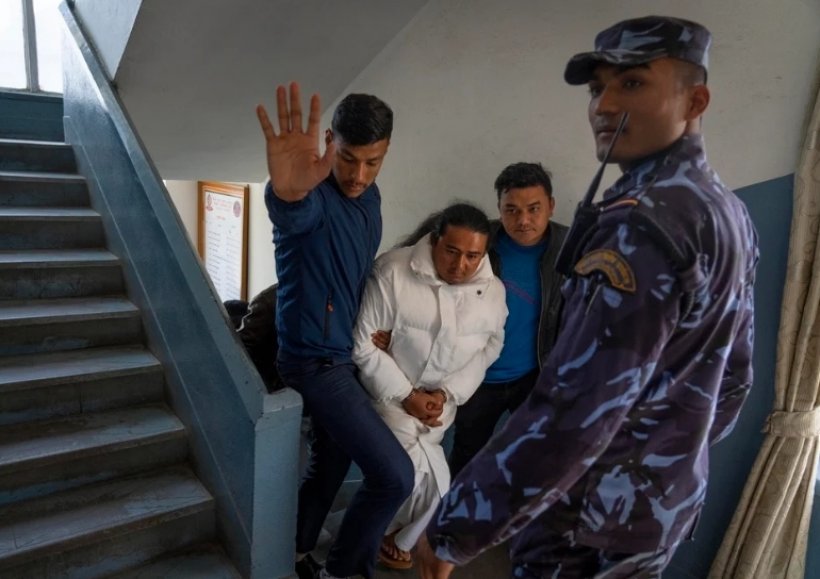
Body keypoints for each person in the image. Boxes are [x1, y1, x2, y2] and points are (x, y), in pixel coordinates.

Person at [418, 15, 759, 579]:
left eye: (631, 83)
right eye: (598, 86)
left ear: (695, 99)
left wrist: (455, 529)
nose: (602, 105)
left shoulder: (643, 226)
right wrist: (660, 459)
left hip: (587, 525)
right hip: (655, 512)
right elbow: (733, 378)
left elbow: (574, 413)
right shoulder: (727, 211)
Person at [256, 83, 413, 579]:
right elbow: (292, 214)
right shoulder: (312, 196)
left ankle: (297, 553)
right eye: (348, 159)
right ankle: (344, 572)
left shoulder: (370, 198)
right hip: (313, 362)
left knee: (331, 460)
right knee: (395, 477)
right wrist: (285, 191)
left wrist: (370, 328)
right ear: (329, 142)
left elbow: (355, 271)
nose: (359, 175)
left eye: (374, 162)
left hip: (345, 351)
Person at [351, 203, 508, 570]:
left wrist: (446, 393)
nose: (461, 265)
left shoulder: (493, 290)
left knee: (435, 486)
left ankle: (390, 539)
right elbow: (361, 345)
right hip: (389, 398)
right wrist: (408, 395)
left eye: (473, 255)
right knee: (411, 478)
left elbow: (491, 346)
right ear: (435, 240)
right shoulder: (393, 270)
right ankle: (375, 540)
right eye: (452, 251)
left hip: (441, 408)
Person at [448, 162, 568, 476]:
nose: (523, 220)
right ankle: (450, 522)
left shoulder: (569, 249)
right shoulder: (479, 242)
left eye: (533, 208)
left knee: (533, 459)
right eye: (511, 210)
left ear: (551, 206)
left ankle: (512, 523)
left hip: (533, 376)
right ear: (499, 209)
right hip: (477, 377)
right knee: (466, 456)